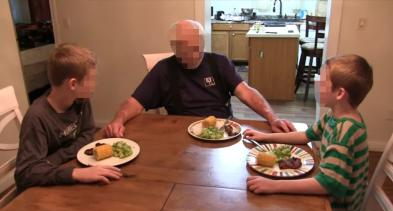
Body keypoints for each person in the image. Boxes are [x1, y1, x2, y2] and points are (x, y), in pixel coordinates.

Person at [104, 19, 294, 138]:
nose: (193, 56)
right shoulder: (163, 70)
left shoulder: (219, 63)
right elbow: (134, 102)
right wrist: (118, 120)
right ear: (174, 48)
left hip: (222, 132)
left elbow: (247, 93)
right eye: (186, 51)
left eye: (197, 49)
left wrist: (272, 117)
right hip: (180, 134)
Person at [244, 54, 373, 211]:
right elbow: (305, 135)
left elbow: (327, 184)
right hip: (327, 194)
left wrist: (274, 185)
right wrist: (266, 137)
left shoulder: (346, 131)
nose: (316, 82)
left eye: (323, 81)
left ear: (340, 93)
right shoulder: (334, 116)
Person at [15, 43, 122, 191]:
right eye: (91, 79)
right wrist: (75, 173)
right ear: (73, 84)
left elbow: (87, 133)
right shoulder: (36, 117)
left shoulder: (81, 100)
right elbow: (26, 173)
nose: (94, 84)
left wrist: (54, 159)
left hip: (59, 170)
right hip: (41, 190)